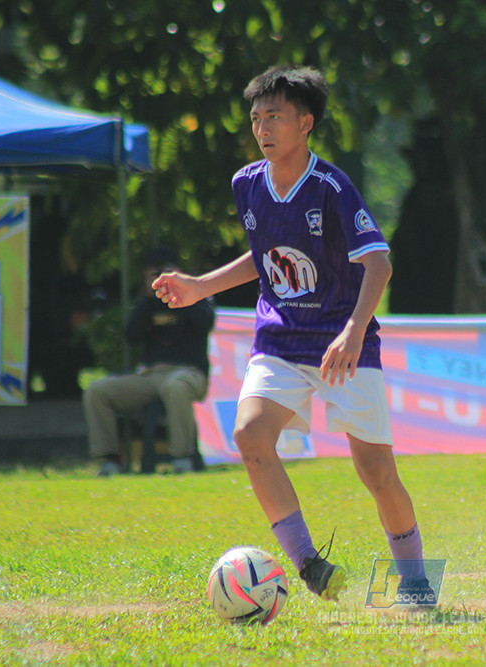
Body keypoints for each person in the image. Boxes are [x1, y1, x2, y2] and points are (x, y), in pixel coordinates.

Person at [152, 65, 433, 603]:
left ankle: (416, 583)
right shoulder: (247, 184)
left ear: (305, 123)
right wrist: (199, 286)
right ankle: (309, 565)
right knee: (250, 437)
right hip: (280, 339)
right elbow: (263, 259)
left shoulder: (332, 187)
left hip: (340, 342)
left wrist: (353, 332)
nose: (263, 127)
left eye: (274, 116)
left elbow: (379, 265)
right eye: (256, 117)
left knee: (376, 470)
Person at [84, 246, 216, 476]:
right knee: (98, 390)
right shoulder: (147, 302)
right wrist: (147, 297)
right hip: (151, 375)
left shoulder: (195, 293)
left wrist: (183, 292)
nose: (161, 277)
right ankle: (110, 459)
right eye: (156, 273)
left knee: (175, 387)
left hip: (189, 374)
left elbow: (206, 323)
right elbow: (131, 337)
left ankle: (182, 458)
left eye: (167, 272)